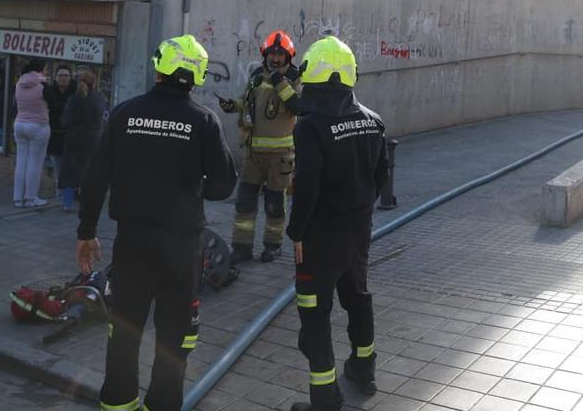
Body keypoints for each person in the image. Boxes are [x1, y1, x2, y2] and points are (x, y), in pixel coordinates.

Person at [76, 34, 237, 411]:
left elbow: (95, 177)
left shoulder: (124, 114)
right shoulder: (204, 122)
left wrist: (86, 234)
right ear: (195, 75)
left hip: (131, 243)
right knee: (175, 338)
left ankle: (118, 404)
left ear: (160, 69)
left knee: (124, 332)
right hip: (181, 249)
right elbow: (222, 186)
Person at [286, 36, 388, 411]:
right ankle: (365, 370)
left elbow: (307, 187)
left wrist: (296, 232)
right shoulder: (373, 121)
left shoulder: (310, 127)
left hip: (318, 239)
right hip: (358, 232)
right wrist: (360, 208)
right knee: (358, 300)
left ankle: (324, 399)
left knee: (314, 315)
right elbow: (381, 176)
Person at [218, 30, 302, 264]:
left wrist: (278, 81)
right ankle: (241, 247)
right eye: (272, 54)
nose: (275, 59)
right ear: (265, 54)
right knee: (244, 204)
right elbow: (247, 103)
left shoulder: (295, 77)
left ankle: (272, 247)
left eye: (280, 55)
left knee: (275, 206)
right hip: (253, 154)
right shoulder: (256, 75)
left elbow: (298, 106)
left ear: (288, 56)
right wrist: (231, 106)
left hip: (280, 157)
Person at [58, 68, 104, 212]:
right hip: (93, 140)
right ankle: (86, 202)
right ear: (94, 83)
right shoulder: (99, 98)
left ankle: (67, 204)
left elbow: (65, 121)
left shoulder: (74, 99)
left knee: (70, 172)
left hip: (74, 139)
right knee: (88, 171)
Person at [13, 59, 51, 208]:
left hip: (19, 124)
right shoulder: (42, 85)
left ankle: (17, 199)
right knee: (34, 163)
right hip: (38, 125)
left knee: (21, 162)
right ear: (40, 69)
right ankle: (30, 198)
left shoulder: (19, 84)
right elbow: (53, 103)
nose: (47, 72)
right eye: (46, 69)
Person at [45, 64, 77, 209]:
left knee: (69, 168)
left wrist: (57, 106)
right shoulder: (50, 91)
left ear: (70, 78)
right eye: (60, 76)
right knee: (58, 168)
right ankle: (60, 195)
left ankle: (69, 197)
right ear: (55, 78)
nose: (63, 78)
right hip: (54, 135)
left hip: (71, 136)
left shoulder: (76, 91)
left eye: (65, 75)